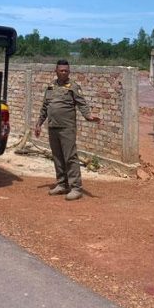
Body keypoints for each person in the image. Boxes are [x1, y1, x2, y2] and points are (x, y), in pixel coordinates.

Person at [34, 59, 100, 201]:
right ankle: (62, 184)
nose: (64, 73)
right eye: (61, 70)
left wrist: (88, 116)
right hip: (53, 127)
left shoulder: (73, 87)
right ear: (56, 71)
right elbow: (45, 107)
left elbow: (82, 104)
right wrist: (39, 123)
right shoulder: (51, 87)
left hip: (67, 128)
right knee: (57, 157)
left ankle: (76, 188)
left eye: (66, 71)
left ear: (69, 72)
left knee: (70, 157)